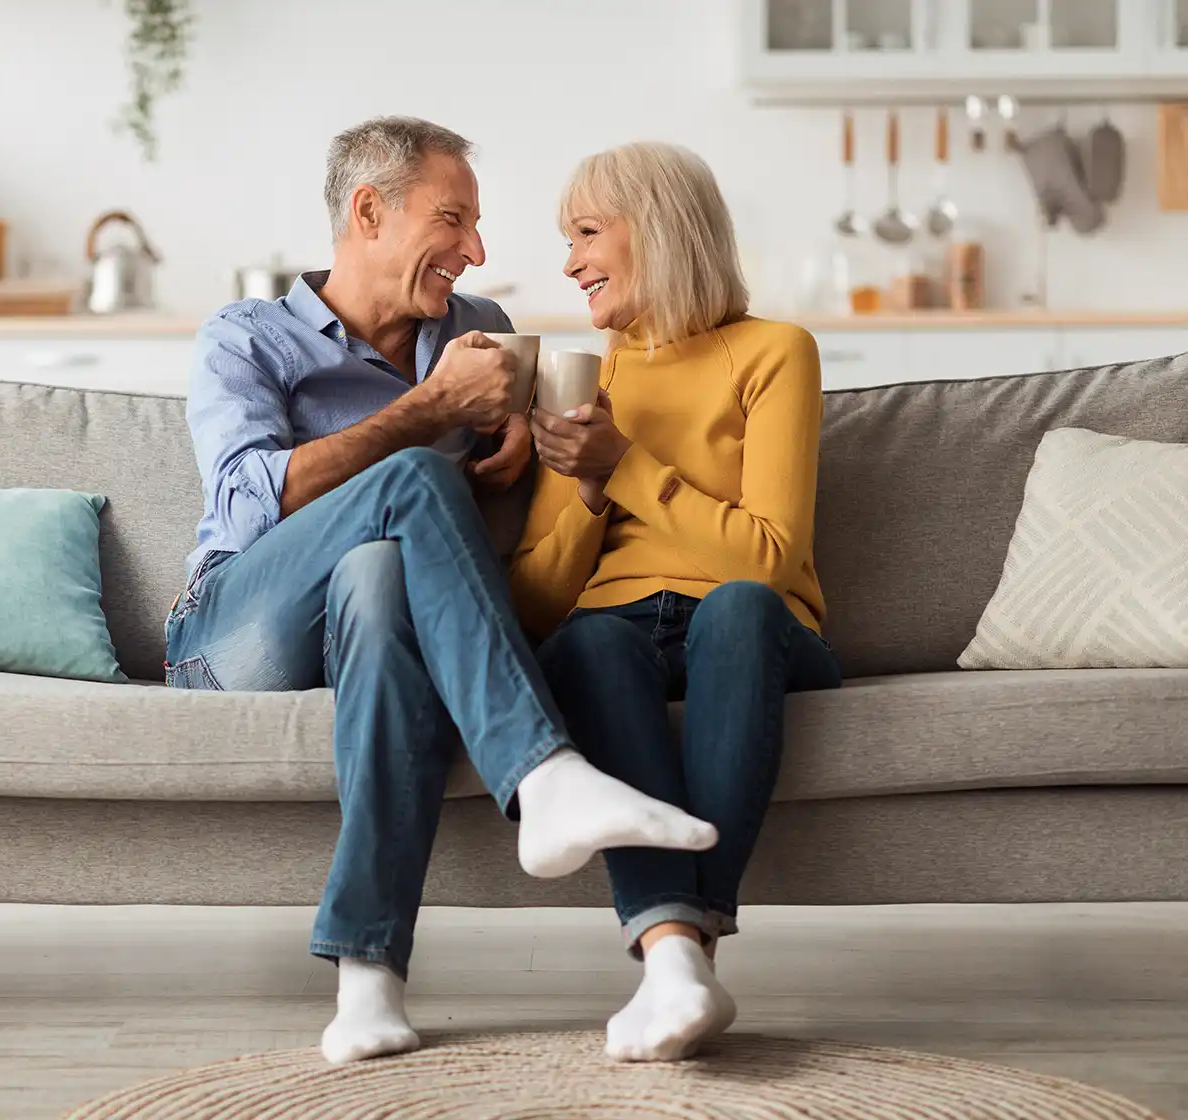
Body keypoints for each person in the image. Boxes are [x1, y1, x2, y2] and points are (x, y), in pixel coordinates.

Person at [168, 117, 717, 1065]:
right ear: (369, 211)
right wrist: (427, 417)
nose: (477, 251)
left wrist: (528, 452)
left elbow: (546, 469)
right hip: (232, 632)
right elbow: (251, 503)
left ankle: (368, 977)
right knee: (414, 481)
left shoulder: (482, 335)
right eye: (453, 220)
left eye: (477, 226)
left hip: (369, 629)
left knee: (381, 580)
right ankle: (543, 775)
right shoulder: (246, 337)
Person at [511, 141, 842, 1063]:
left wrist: (626, 466)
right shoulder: (588, 379)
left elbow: (770, 562)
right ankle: (674, 966)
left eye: (585, 233)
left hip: (757, 628)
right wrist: (582, 492)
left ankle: (684, 944)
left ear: (656, 229)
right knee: (585, 647)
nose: (570, 262)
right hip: (616, 625)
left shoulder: (774, 353)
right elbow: (537, 602)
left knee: (736, 607)